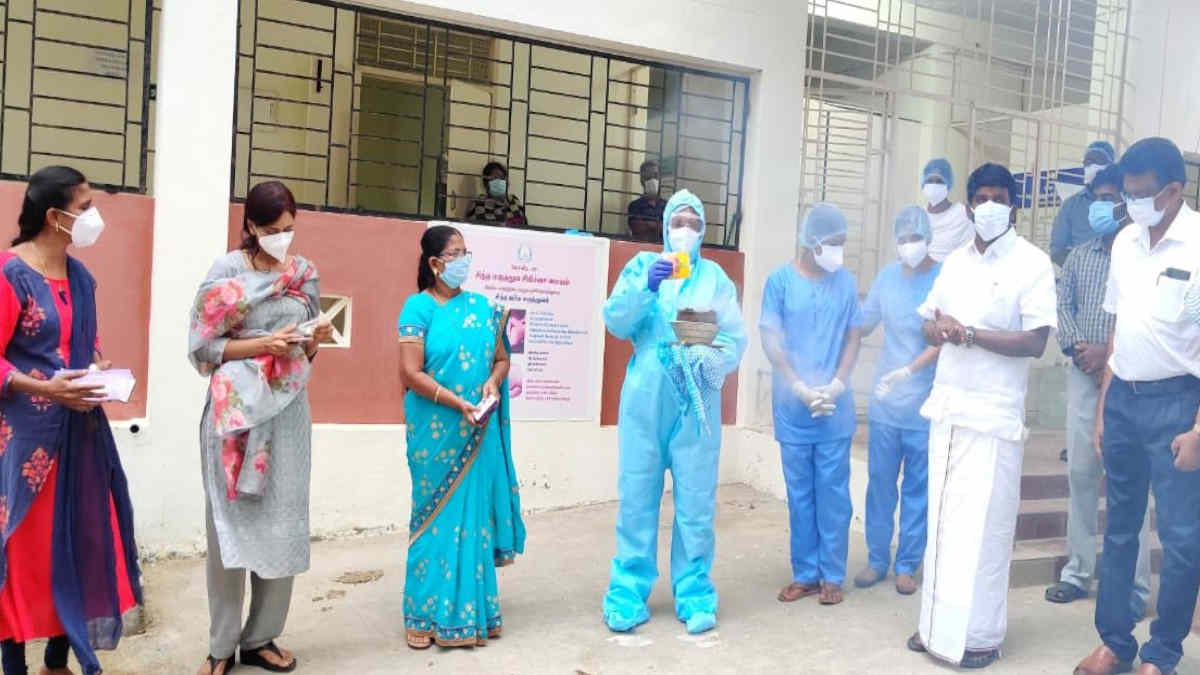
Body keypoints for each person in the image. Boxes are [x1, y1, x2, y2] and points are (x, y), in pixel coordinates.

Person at [906, 163, 1056, 669]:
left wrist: (970, 335)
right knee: (943, 525)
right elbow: (927, 324)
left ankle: (981, 638)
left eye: (999, 198)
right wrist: (940, 330)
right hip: (949, 407)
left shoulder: (1032, 264)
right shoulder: (955, 263)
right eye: (981, 198)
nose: (989, 206)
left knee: (985, 531)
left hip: (993, 417)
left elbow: (1036, 341)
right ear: (969, 206)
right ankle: (932, 629)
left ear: (1013, 204)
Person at [0, 166, 141, 675]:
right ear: (55, 216)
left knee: (78, 542)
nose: (92, 217)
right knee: (23, 554)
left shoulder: (81, 277)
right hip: (27, 442)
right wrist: (44, 386)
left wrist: (99, 370)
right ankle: (13, 661)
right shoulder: (11, 273)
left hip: (81, 433)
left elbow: (87, 343)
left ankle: (57, 660)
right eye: (84, 208)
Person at [189, 181, 333, 675]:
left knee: (283, 520)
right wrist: (260, 347)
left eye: (289, 229)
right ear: (250, 225)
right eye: (272, 230)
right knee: (228, 527)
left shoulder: (304, 274)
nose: (281, 238)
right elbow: (204, 348)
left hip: (288, 414)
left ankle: (262, 636)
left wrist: (316, 339)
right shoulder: (226, 271)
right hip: (236, 418)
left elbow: (308, 346)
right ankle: (222, 645)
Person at [1075, 137, 1200, 675]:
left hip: (1178, 404)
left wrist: (1199, 429)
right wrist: (1104, 406)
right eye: (1127, 195)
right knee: (1120, 528)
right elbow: (1119, 326)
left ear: (1175, 191)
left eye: (1144, 195)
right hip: (1123, 398)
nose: (1133, 205)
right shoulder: (1125, 241)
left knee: (1179, 538)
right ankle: (1116, 643)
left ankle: (1163, 652)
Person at [602, 190, 746, 635]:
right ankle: (627, 592)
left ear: (703, 231)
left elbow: (734, 338)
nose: (685, 230)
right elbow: (616, 321)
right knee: (637, 497)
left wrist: (711, 356)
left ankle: (694, 590)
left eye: (693, 223)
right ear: (666, 227)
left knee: (696, 501)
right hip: (645, 396)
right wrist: (647, 288)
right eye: (678, 222)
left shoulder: (717, 278)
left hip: (696, 400)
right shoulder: (643, 268)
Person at [397, 224, 525, 649]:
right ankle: (421, 615)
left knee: (473, 524)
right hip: (436, 432)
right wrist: (457, 403)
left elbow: (502, 360)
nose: (463, 259)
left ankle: (475, 614)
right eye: (456, 253)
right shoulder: (417, 309)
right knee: (432, 519)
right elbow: (410, 373)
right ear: (435, 264)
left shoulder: (484, 307)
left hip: (479, 429)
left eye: (466, 251)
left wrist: (492, 382)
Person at [1045, 165, 1152, 615]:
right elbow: (1061, 305)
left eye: (1114, 199)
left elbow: (1143, 316)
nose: (1105, 207)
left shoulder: (1140, 256)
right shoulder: (1078, 257)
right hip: (1083, 376)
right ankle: (1077, 571)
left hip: (1131, 382)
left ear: (1126, 205)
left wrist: (1107, 356)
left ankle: (1134, 586)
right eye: (1099, 199)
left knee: (1131, 487)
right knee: (1081, 476)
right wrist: (1077, 350)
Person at [762, 202, 863, 607]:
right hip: (794, 407)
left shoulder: (845, 282)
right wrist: (798, 386)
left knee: (833, 495)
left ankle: (832, 575)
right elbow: (772, 338)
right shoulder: (780, 282)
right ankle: (806, 574)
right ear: (812, 241)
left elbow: (854, 336)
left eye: (842, 243)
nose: (838, 251)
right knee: (800, 495)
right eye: (833, 243)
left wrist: (838, 383)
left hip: (834, 411)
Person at [852, 206, 941, 596]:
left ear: (928, 237)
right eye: (902, 239)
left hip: (924, 401)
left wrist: (910, 372)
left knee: (918, 488)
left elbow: (944, 339)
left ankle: (907, 563)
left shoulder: (943, 278)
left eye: (914, 238)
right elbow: (863, 322)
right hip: (887, 401)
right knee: (880, 484)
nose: (909, 246)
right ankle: (876, 559)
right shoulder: (887, 278)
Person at [1050, 141, 1117, 267]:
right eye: (1087, 163)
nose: (1092, 166)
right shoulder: (1070, 205)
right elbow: (1057, 250)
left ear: (1111, 164)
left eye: (1098, 161)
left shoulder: (1123, 201)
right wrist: (1081, 269)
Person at [921, 158, 973, 262]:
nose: (934, 185)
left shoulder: (962, 215)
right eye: (930, 181)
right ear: (923, 184)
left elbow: (970, 255)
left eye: (939, 181)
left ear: (948, 184)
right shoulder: (918, 217)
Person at [465, 161, 527, 227]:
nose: (499, 181)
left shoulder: (513, 200)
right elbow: (472, 228)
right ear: (486, 182)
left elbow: (525, 225)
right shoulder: (478, 202)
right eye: (494, 178)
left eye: (502, 177)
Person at [627, 160, 665, 243]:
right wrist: (658, 225)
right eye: (648, 176)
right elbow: (636, 228)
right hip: (641, 248)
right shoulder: (634, 206)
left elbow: (669, 230)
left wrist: (647, 224)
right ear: (642, 180)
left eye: (655, 176)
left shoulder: (667, 206)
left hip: (663, 251)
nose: (653, 179)